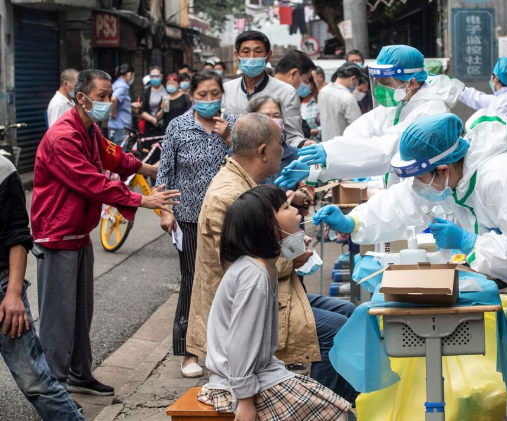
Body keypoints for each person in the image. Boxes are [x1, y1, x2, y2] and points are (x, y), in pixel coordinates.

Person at [313, 111, 507, 421]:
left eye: (422, 178)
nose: (418, 187)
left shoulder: (504, 177)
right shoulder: (453, 176)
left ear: (443, 169)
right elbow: (408, 202)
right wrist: (355, 221)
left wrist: (468, 242)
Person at [187, 113, 358, 405]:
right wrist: (294, 256)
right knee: (338, 332)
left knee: (351, 314)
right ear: (263, 151)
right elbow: (246, 265)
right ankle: (321, 405)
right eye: (281, 143)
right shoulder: (229, 196)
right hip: (248, 304)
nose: (285, 149)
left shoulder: (247, 183)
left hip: (276, 290)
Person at [31, 69, 180, 396]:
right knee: (59, 317)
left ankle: (80, 374)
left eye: (109, 94)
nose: (107, 101)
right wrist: (143, 200)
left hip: (78, 232)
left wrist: (148, 168)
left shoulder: (89, 130)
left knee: (81, 312)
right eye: (101, 96)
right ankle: (54, 390)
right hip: (57, 235)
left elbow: (113, 155)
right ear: (81, 97)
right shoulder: (63, 136)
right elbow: (92, 181)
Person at [196, 185, 352, 421]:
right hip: (239, 386)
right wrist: (246, 402)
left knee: (340, 408)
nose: (296, 211)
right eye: (286, 207)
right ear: (269, 227)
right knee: (339, 415)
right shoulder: (254, 275)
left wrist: (294, 247)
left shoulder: (262, 265)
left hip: (258, 375)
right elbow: (240, 345)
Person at [276, 45, 464, 189]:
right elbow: (359, 133)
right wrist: (316, 165)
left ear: (412, 82)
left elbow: (387, 150)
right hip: (403, 192)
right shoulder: (399, 104)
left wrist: (330, 154)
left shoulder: (431, 110)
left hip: (430, 195)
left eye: (386, 82)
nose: (381, 88)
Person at [156, 69, 236, 378]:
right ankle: (189, 352)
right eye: (201, 95)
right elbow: (165, 171)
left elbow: (246, 163)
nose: (208, 99)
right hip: (188, 219)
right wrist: (165, 211)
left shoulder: (230, 127)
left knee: (228, 282)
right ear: (192, 96)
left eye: (214, 94)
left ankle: (225, 349)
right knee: (192, 281)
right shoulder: (178, 127)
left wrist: (229, 138)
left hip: (226, 219)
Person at [0, 154, 85, 420]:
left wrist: (13, 294)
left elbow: (17, 236)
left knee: (34, 380)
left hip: (3, 291)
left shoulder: (3, 169)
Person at [221, 30, 311, 148]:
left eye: (258, 52)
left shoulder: (286, 92)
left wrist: (303, 144)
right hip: (234, 162)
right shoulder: (225, 90)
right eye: (246, 52)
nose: (252, 57)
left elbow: (293, 136)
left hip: (273, 163)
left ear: (268, 56)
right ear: (237, 56)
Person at [247, 94, 315, 215]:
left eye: (276, 116)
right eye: (265, 116)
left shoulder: (296, 155)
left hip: (289, 226)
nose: (272, 121)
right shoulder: (241, 155)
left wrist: (296, 195)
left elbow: (309, 192)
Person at [459, 57, 507, 143]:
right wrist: (450, 86)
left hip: (499, 154)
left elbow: (497, 138)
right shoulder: (503, 98)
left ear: (496, 78)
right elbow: (475, 97)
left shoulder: (506, 102)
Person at [317, 63, 362, 142]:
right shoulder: (348, 98)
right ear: (353, 79)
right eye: (357, 81)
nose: (356, 84)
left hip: (325, 145)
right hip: (343, 148)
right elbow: (358, 128)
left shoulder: (323, 92)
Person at [108, 63, 135, 145]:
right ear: (129, 74)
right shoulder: (122, 87)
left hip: (114, 125)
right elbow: (114, 99)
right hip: (120, 126)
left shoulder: (115, 84)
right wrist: (113, 113)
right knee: (119, 154)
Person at [140, 66, 168, 138]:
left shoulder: (167, 91)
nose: (154, 78)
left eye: (157, 76)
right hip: (150, 126)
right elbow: (141, 111)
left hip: (165, 125)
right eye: (152, 76)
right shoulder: (146, 92)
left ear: (161, 77)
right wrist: (153, 120)